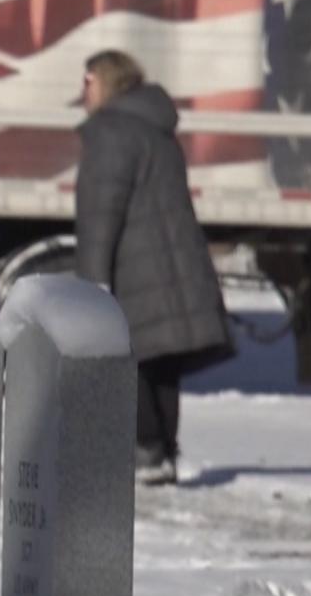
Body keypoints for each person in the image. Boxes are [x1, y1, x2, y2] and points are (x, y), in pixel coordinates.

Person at [76, 49, 233, 486]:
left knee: (135, 357)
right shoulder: (155, 127)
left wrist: (93, 282)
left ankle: (146, 451)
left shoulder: (110, 132)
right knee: (162, 361)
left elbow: (100, 211)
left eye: (87, 81)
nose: (82, 92)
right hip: (168, 258)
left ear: (105, 81)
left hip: (135, 262)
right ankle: (161, 450)